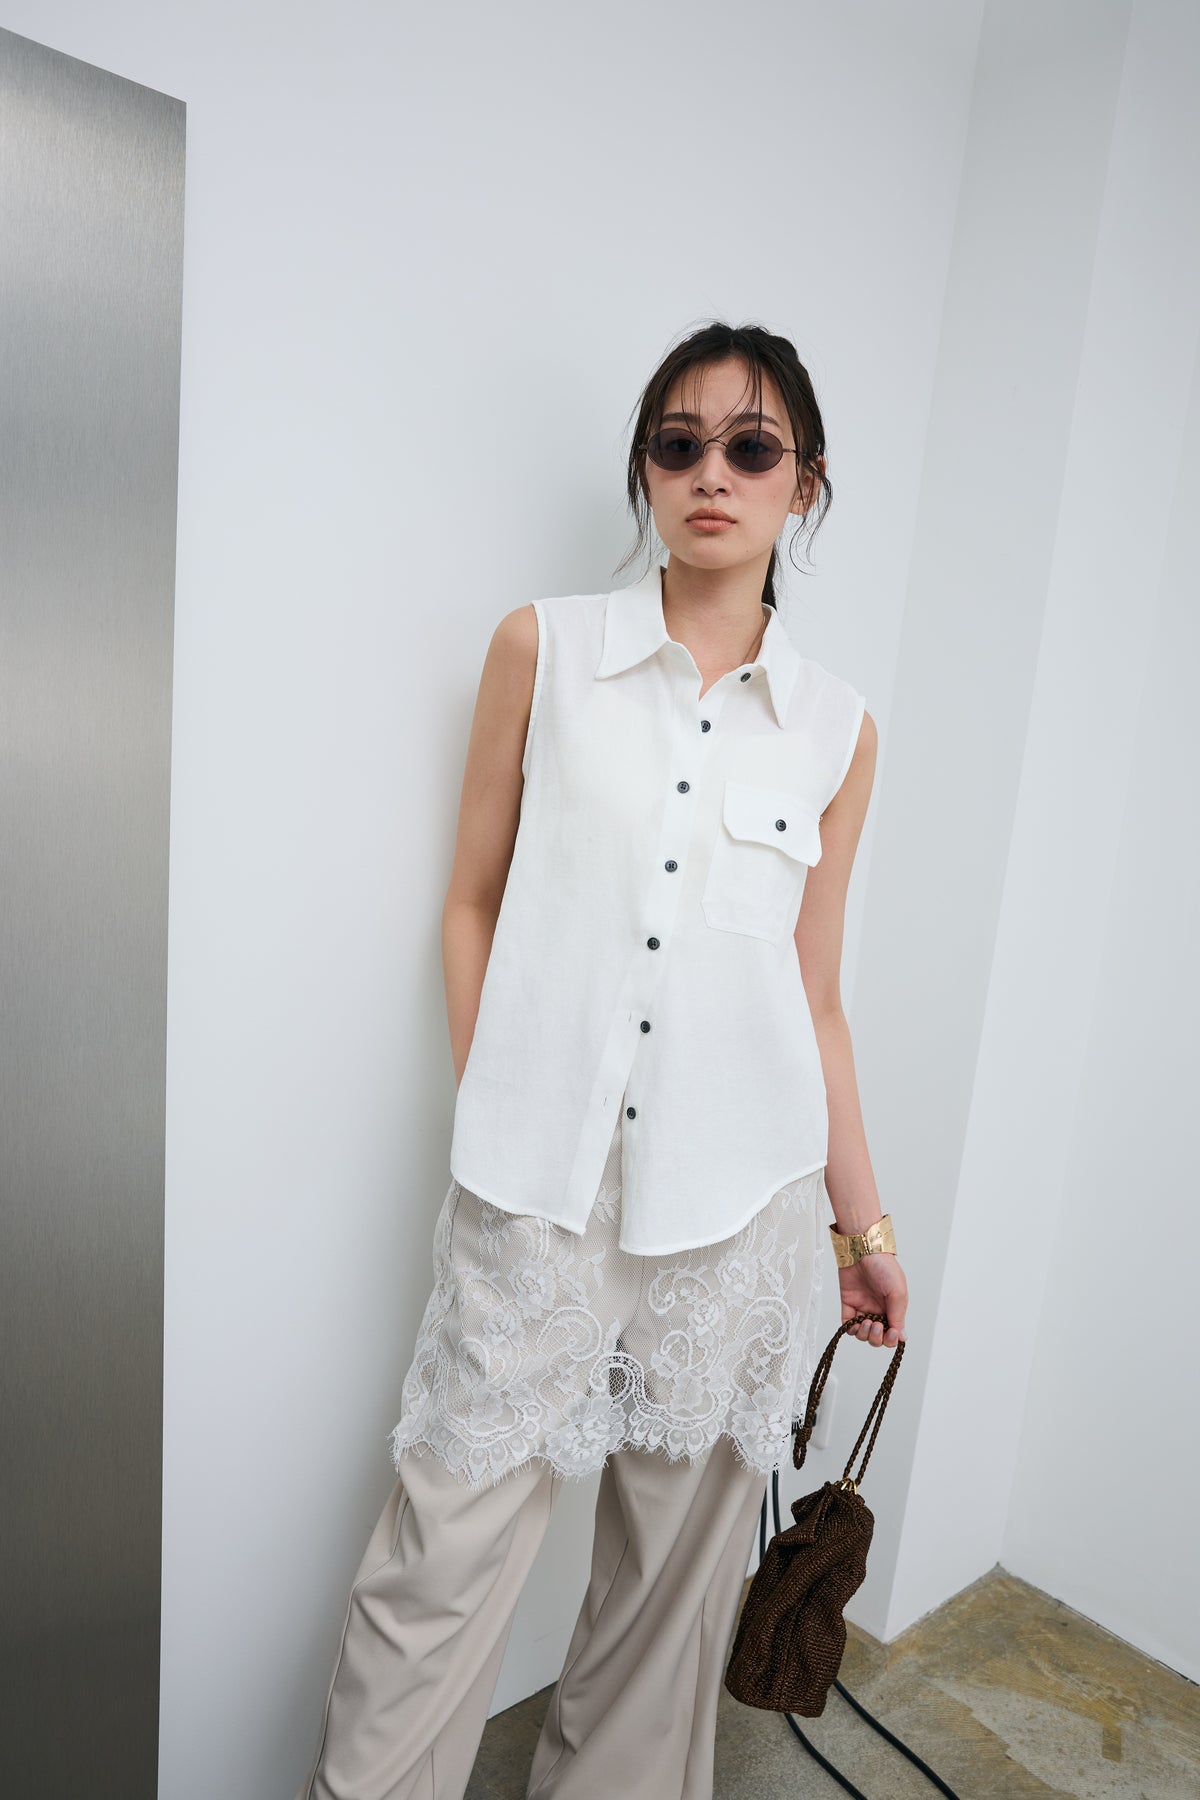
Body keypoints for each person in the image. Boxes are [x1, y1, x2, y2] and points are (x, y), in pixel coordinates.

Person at [294, 320, 910, 1800]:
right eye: (677, 444)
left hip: (741, 1212)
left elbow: (814, 997)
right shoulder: (545, 648)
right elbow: (471, 902)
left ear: (807, 482)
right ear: (645, 469)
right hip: (540, 1195)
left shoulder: (838, 730)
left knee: (665, 1611)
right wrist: (501, 1096)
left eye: (751, 447)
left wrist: (863, 1228)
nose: (712, 474)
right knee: (435, 1567)